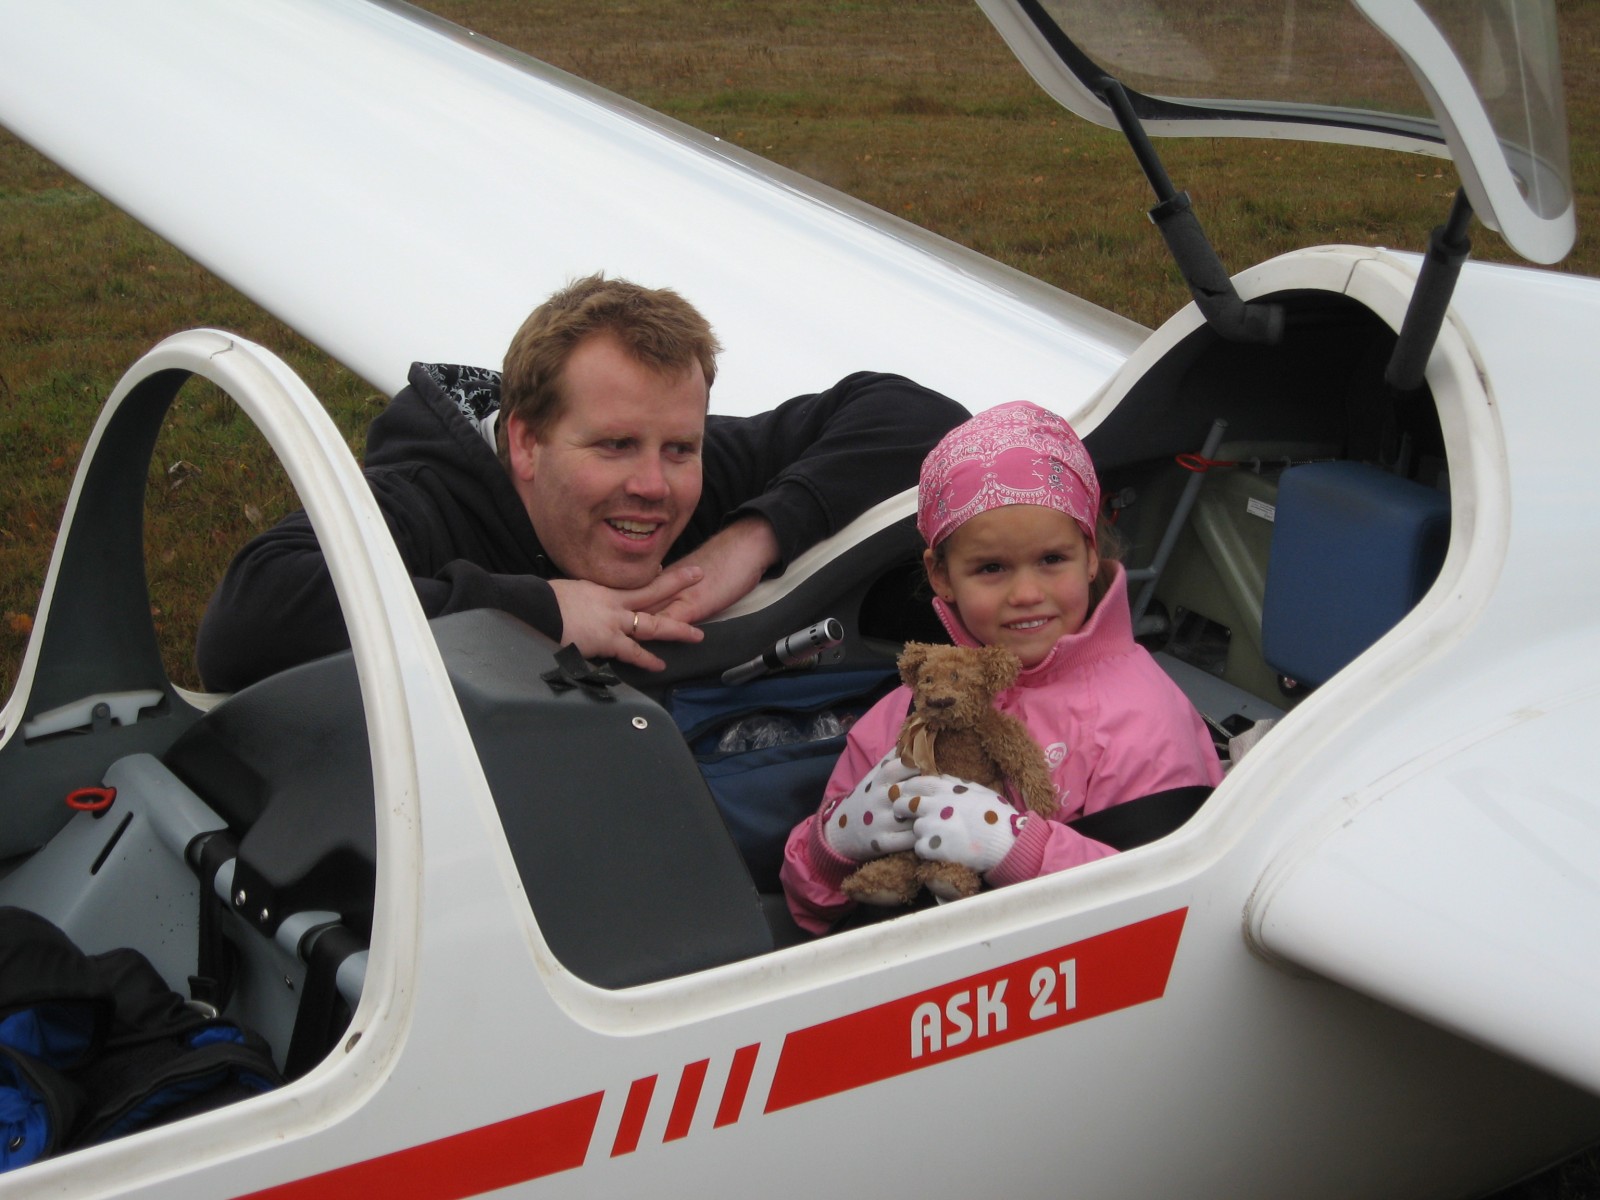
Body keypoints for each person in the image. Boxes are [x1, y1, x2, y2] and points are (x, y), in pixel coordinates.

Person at [195, 274, 968, 691]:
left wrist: (752, 539)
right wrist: (536, 610)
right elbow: (248, 622)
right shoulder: (424, 498)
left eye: (679, 447)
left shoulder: (688, 470)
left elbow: (919, 416)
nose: (653, 486)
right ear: (526, 442)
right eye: (614, 446)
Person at [780, 400, 1222, 934]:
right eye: (991, 568)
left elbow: (1165, 919)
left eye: (1051, 559)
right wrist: (833, 843)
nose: (1027, 593)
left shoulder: (1145, 720)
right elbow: (808, 910)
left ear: (1089, 553)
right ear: (941, 576)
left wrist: (1019, 850)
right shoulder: (908, 710)